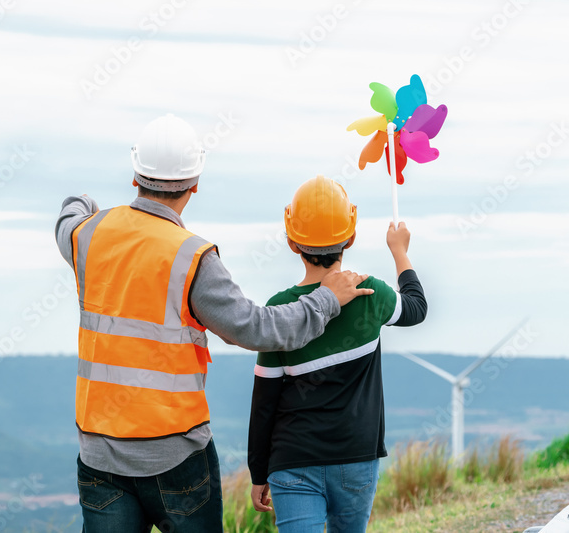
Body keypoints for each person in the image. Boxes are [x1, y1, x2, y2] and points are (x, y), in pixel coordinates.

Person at [55, 115, 375, 533]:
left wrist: (82, 202)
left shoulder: (88, 236)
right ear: (195, 183)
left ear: (136, 176)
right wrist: (327, 299)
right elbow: (259, 328)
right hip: (176, 455)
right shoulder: (192, 258)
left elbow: (66, 221)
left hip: (99, 452)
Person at [247, 175, 428, 533]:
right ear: (352, 235)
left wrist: (258, 471)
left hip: (292, 460)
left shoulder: (280, 309)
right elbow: (416, 308)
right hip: (356, 457)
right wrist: (400, 251)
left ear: (292, 242)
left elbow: (264, 400)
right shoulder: (371, 293)